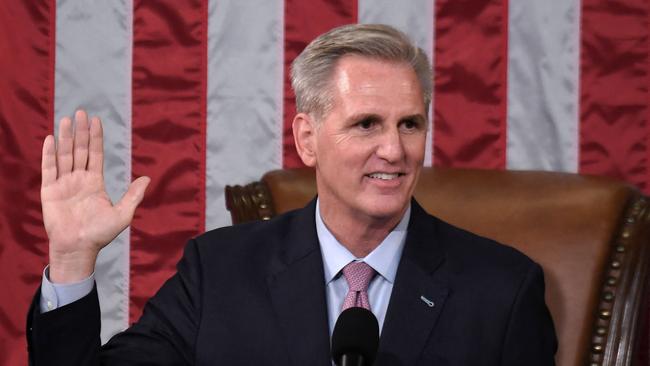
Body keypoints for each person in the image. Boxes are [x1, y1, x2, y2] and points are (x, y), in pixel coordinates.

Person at [27, 24, 557, 365]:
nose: (395, 150)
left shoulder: (502, 291)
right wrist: (72, 262)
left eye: (410, 124)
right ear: (307, 139)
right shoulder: (220, 272)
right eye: (367, 124)